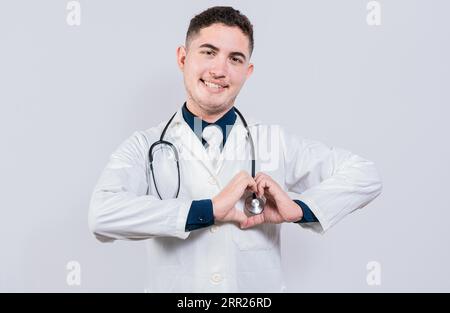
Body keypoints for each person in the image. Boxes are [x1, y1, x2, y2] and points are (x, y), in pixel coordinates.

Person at [89, 6, 382, 292]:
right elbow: (102, 215)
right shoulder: (146, 146)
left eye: (235, 59)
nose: (219, 70)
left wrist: (300, 209)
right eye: (208, 52)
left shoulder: (272, 141)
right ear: (182, 57)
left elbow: (365, 175)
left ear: (248, 71)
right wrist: (209, 209)